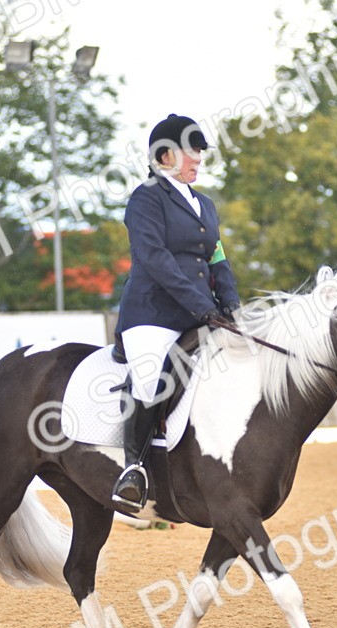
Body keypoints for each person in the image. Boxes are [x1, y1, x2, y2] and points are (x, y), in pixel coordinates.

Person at [111, 114, 241, 510]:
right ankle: (133, 470)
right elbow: (156, 259)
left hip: (202, 313)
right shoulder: (146, 198)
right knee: (151, 379)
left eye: (200, 151)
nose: (199, 158)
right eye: (191, 151)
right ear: (165, 155)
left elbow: (217, 258)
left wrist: (231, 304)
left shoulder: (204, 205)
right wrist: (203, 307)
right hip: (153, 314)